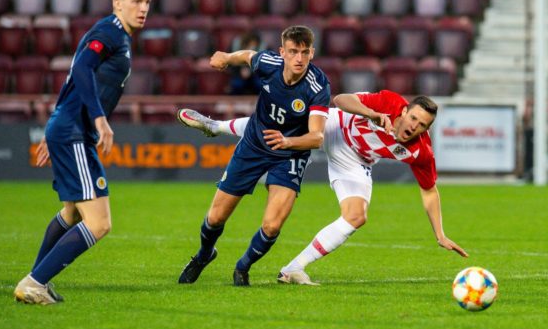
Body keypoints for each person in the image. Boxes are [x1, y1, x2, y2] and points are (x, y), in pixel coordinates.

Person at [177, 89, 469, 285]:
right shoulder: (390, 103)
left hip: (354, 159)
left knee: (357, 216)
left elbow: (430, 190)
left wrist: (440, 234)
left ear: (426, 130)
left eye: (421, 125)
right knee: (289, 123)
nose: (413, 127)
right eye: (413, 118)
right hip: (336, 126)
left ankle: (293, 269)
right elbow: (340, 100)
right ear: (405, 111)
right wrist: (369, 113)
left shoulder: (421, 152)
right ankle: (216, 126)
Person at [14, 0, 151, 304]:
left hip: (68, 127)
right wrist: (98, 117)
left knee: (72, 212)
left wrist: (54, 124)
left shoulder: (115, 34)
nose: (143, 7)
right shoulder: (110, 33)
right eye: (136, 0)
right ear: (117, 3)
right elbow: (82, 70)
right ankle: (34, 282)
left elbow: (75, 74)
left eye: (146, 1)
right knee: (100, 223)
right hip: (75, 130)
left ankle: (36, 281)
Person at [176, 25, 331, 286]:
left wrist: (288, 141)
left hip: (290, 154)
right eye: (293, 52)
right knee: (215, 218)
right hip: (254, 146)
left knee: (271, 226)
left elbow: (317, 137)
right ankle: (204, 255)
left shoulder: (318, 86)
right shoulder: (268, 63)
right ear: (282, 52)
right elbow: (248, 55)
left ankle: (242, 267)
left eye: (305, 52)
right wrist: (226, 57)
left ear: (312, 53)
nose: (299, 59)